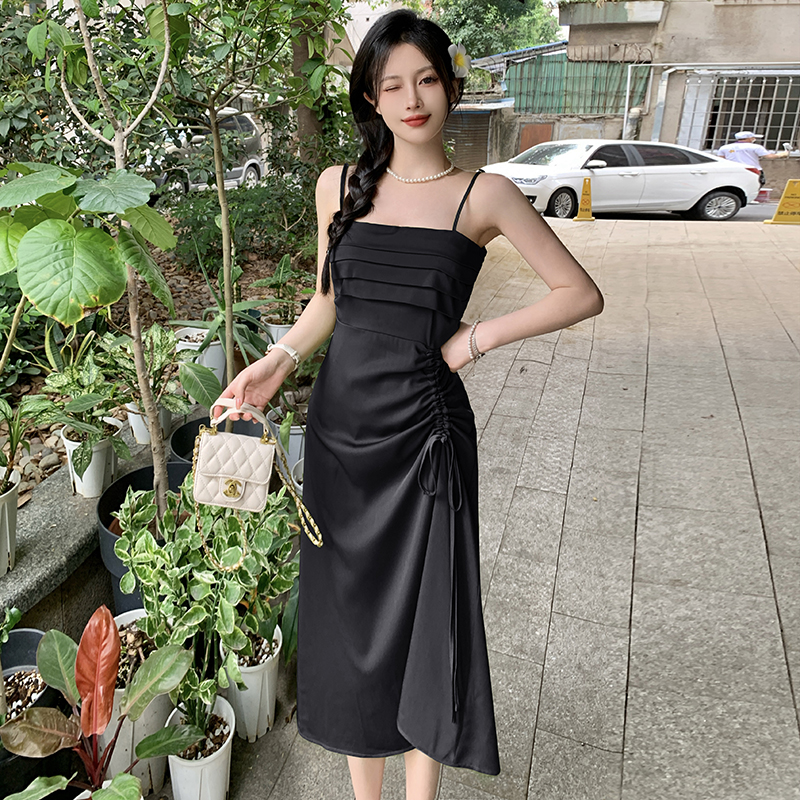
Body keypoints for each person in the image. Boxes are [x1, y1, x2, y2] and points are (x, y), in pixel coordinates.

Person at [215, 10, 603, 800]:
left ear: (451, 86)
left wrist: (474, 339)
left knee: (430, 622)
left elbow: (579, 293)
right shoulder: (338, 185)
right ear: (370, 96)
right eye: (391, 84)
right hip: (340, 434)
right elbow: (328, 303)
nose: (412, 99)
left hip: (427, 436)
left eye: (426, 79)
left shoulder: (485, 195)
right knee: (349, 618)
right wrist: (277, 362)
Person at [716, 131, 788, 186]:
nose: (754, 139)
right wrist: (782, 154)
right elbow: (769, 156)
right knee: (754, 185)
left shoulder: (725, 147)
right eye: (753, 137)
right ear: (749, 138)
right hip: (752, 169)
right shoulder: (756, 147)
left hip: (733, 170)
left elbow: (721, 160)